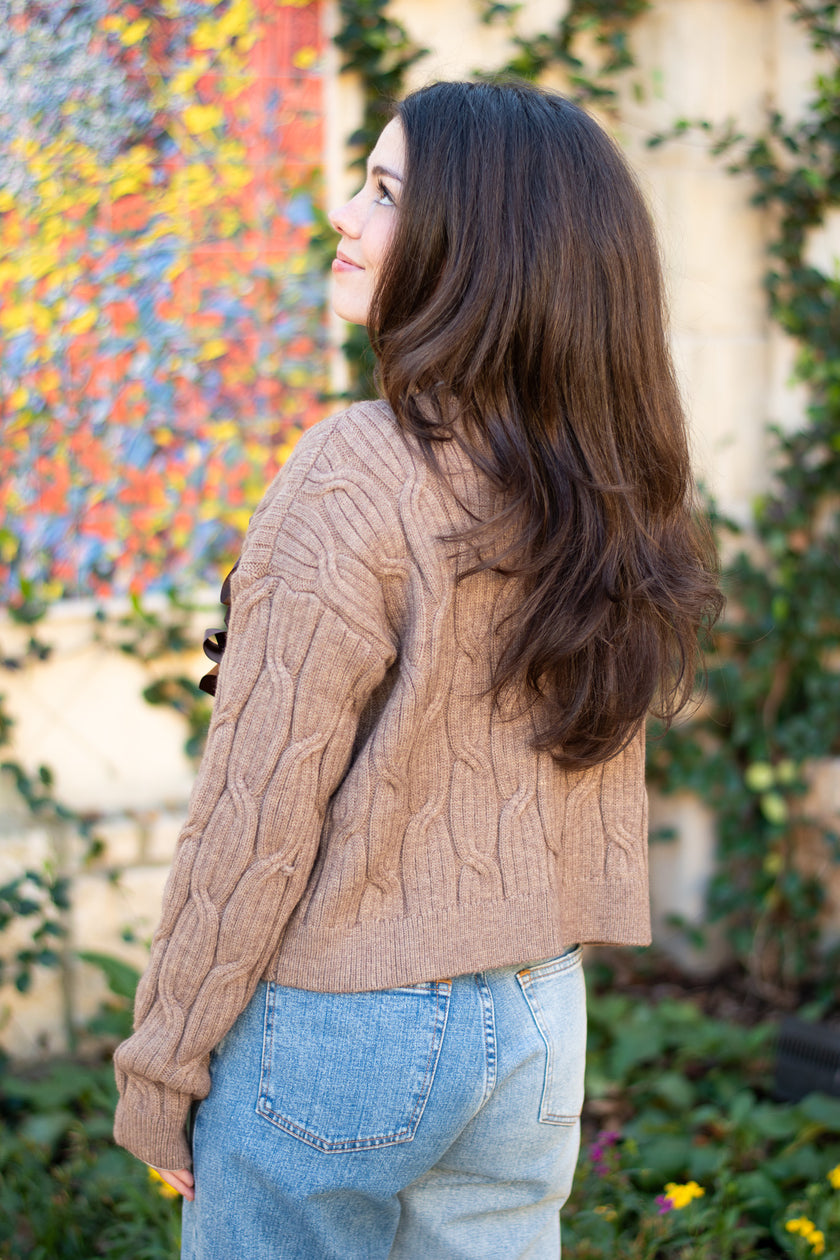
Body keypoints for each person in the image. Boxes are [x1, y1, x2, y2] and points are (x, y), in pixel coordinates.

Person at [113, 79, 723, 1259]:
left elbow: (256, 816)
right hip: (539, 1018)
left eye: (386, 190)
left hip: (342, 1026)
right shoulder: (604, 483)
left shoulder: (359, 469)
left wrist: (161, 1067)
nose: (346, 213)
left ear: (478, 244)